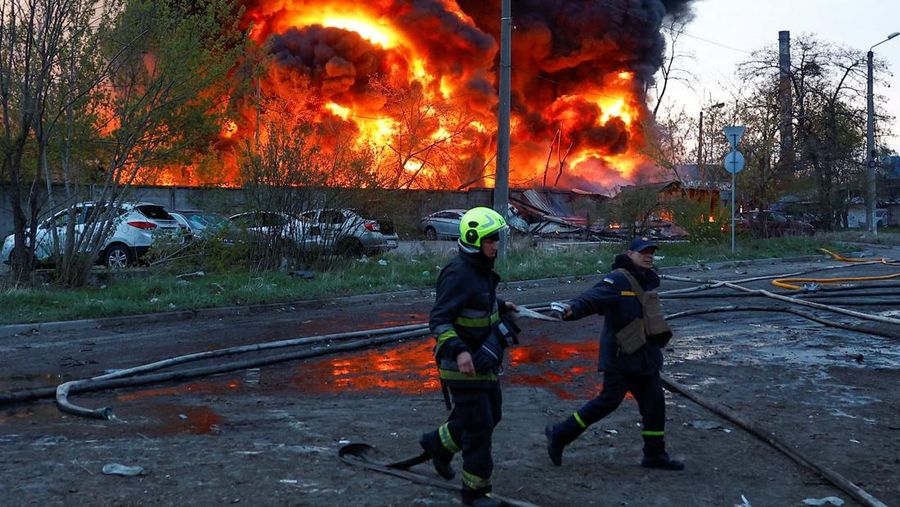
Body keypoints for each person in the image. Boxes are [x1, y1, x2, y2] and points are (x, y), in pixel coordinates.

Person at [544, 236, 684, 471]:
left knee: (655, 403)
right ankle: (560, 434)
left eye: (651, 251)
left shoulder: (646, 281)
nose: (648, 255)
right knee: (608, 402)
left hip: (644, 356)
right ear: (630, 254)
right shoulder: (618, 279)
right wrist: (571, 308)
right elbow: (593, 297)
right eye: (643, 252)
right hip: (620, 357)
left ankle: (654, 455)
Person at [419, 206, 519, 507]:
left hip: (484, 359)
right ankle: (475, 494)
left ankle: (437, 443)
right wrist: (460, 351)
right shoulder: (459, 273)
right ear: (475, 239)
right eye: (491, 240)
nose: (496, 245)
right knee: (479, 427)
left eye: (497, 239)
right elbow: (439, 320)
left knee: (492, 415)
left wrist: (500, 305)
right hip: (460, 364)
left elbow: (477, 301)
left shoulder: (479, 270)